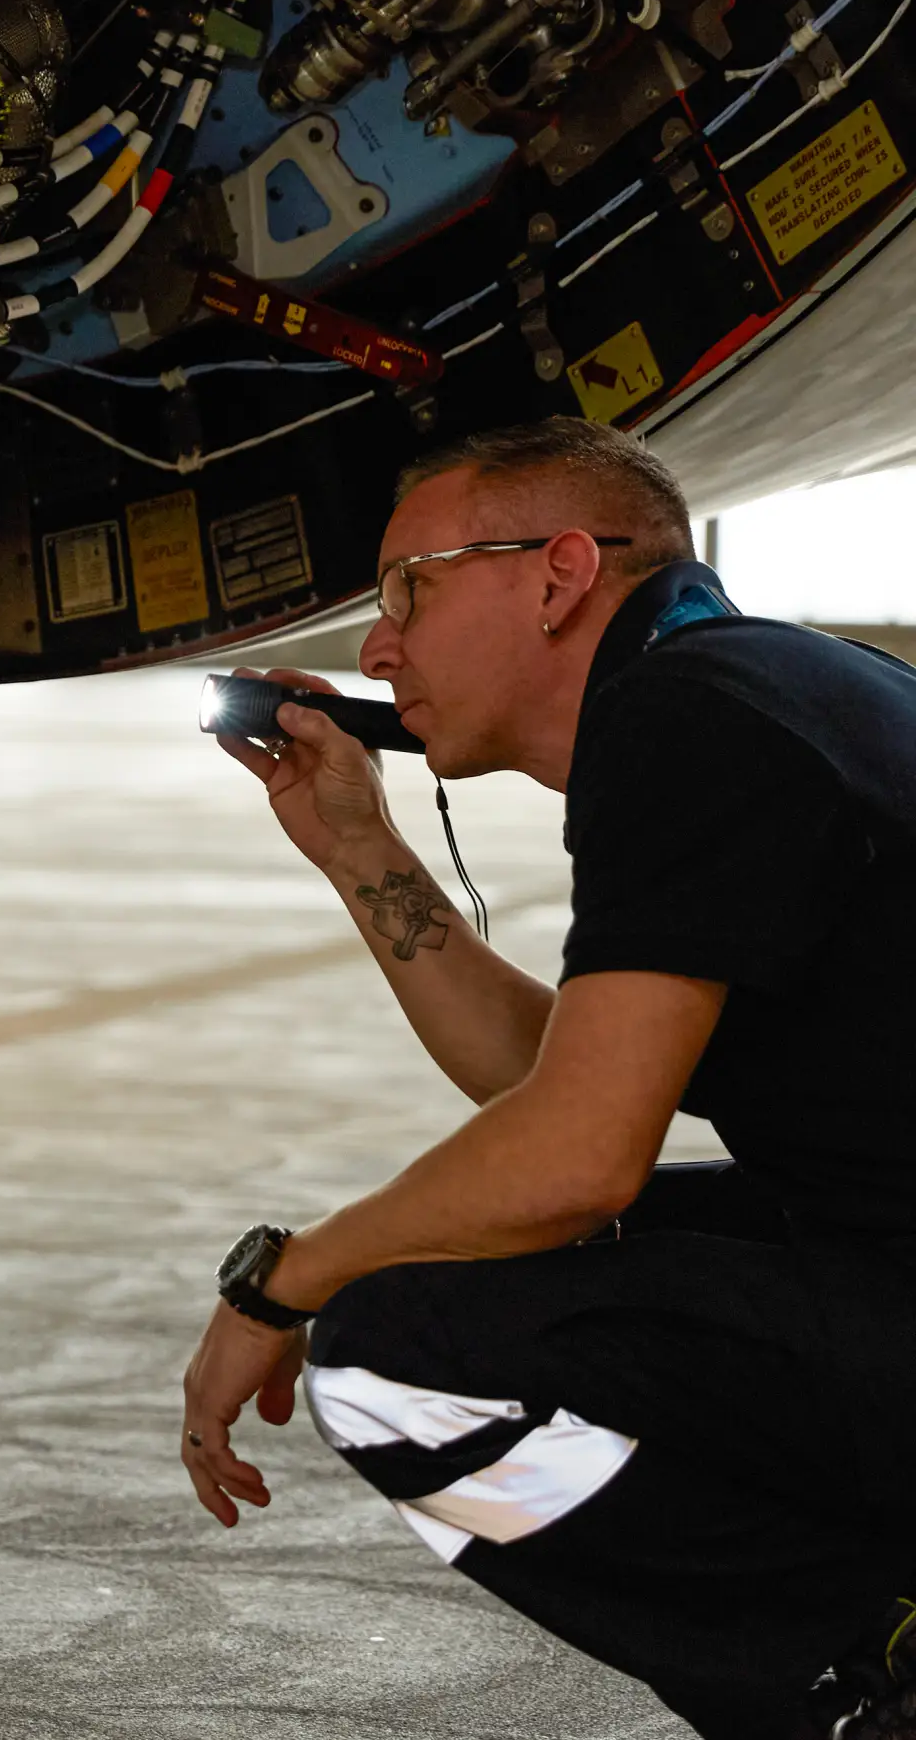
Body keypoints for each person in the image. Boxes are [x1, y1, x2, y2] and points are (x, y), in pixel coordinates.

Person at [179, 417, 916, 1740]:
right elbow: (556, 1087)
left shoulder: (688, 723)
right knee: (526, 1247)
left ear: (560, 575)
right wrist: (362, 853)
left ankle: (860, 1665)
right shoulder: (761, 684)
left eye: (413, 586)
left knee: (396, 1362)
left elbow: (577, 1154)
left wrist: (288, 1280)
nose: (376, 645)